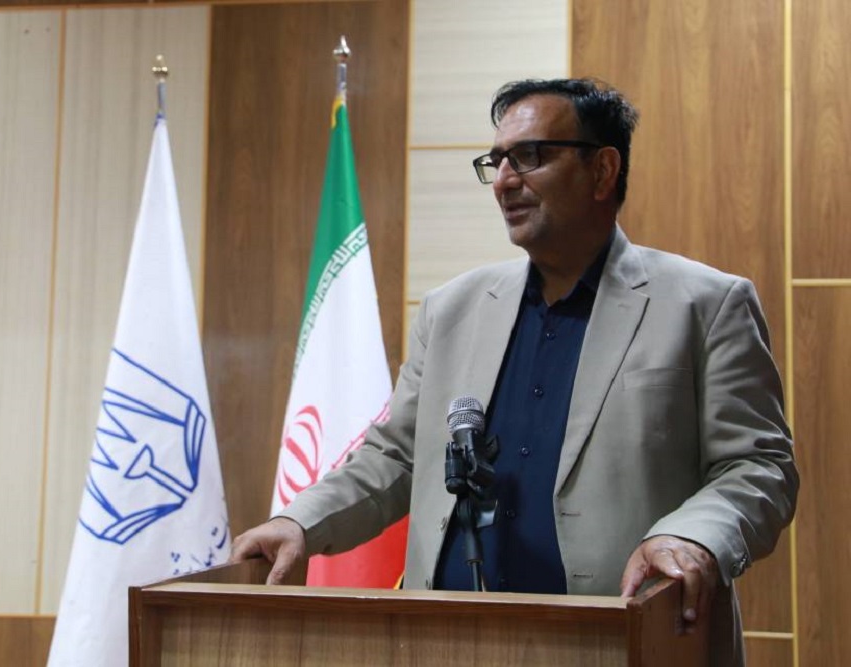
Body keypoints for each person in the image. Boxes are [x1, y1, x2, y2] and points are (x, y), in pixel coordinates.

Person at [230, 78, 798, 666]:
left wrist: (691, 536)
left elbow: (761, 466)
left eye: (529, 156)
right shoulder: (451, 310)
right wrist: (301, 522)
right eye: (496, 161)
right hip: (449, 644)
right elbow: (396, 457)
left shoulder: (705, 304)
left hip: (628, 642)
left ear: (603, 170)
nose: (504, 180)